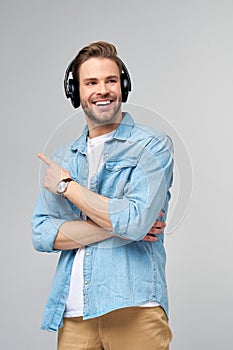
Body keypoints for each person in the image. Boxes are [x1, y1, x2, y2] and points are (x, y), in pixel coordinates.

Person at [32, 41, 174, 350]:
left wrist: (67, 187)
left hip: (134, 307)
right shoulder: (63, 157)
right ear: (76, 92)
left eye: (110, 80)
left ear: (123, 86)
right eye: (91, 82)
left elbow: (135, 222)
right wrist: (121, 224)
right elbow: (43, 233)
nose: (103, 90)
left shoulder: (152, 147)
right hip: (73, 315)